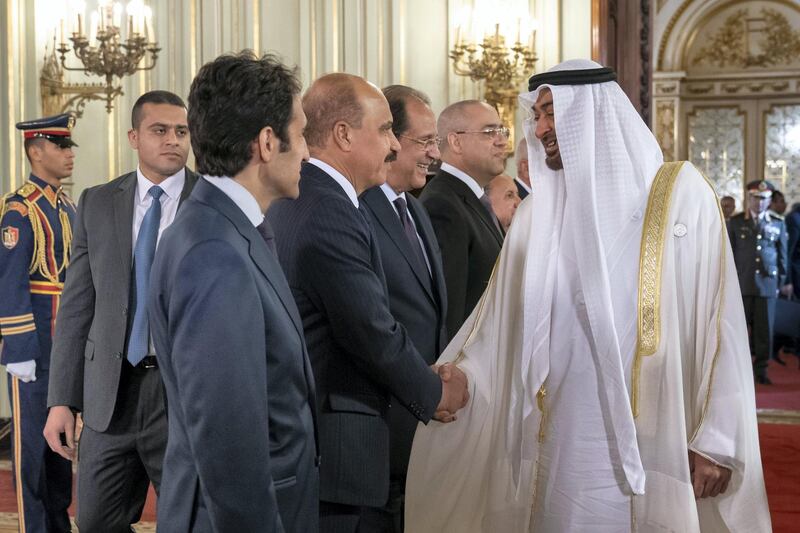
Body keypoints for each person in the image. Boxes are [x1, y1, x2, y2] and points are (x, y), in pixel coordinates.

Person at [406, 59, 770, 532]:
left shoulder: (679, 194)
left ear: (594, 113)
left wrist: (717, 437)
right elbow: (497, 328)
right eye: (536, 117)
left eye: (552, 113)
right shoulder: (538, 216)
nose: (540, 130)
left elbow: (718, 321)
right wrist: (463, 380)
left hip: (658, 440)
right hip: (563, 443)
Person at [267, 73, 468, 533]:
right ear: (343, 134)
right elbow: (370, 330)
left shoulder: (317, 198)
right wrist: (434, 391)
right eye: (383, 131)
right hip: (338, 453)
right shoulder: (327, 209)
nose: (393, 146)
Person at [148, 51, 319, 532]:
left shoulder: (224, 228)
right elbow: (227, 441)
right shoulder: (214, 252)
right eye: (301, 133)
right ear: (267, 142)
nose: (307, 152)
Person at [44, 91, 198, 532]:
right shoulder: (97, 201)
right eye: (160, 130)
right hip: (109, 393)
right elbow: (76, 309)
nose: (173, 140)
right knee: (94, 522)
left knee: (187, 522)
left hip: (179, 394)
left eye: (181, 132)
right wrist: (61, 400)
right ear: (134, 137)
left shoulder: (208, 201)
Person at [358, 84, 448, 532]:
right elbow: (371, 325)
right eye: (426, 141)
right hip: (381, 429)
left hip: (424, 426)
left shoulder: (416, 209)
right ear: (391, 139)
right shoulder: (356, 212)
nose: (435, 153)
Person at [0, 113, 77, 533]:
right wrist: (19, 351)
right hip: (34, 345)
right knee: (32, 447)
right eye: (61, 146)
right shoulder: (19, 210)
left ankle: (58, 523)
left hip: (64, 343)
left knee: (60, 445)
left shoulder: (67, 205)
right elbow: (9, 281)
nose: (69, 155)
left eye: (69, 147)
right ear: (36, 150)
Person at [419, 100, 505, 338]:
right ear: (456, 142)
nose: (501, 140)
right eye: (489, 132)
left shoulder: (473, 197)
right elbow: (451, 308)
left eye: (502, 131)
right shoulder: (443, 204)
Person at [728, 180, 790, 384]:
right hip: (741, 284)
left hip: (767, 286)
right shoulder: (736, 222)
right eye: (755, 197)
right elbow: (728, 254)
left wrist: (781, 283)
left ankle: (761, 370)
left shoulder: (778, 222)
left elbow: (783, 257)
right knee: (738, 330)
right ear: (748, 198)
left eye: (763, 199)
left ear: (769, 200)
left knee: (764, 332)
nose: (759, 202)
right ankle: (737, 370)